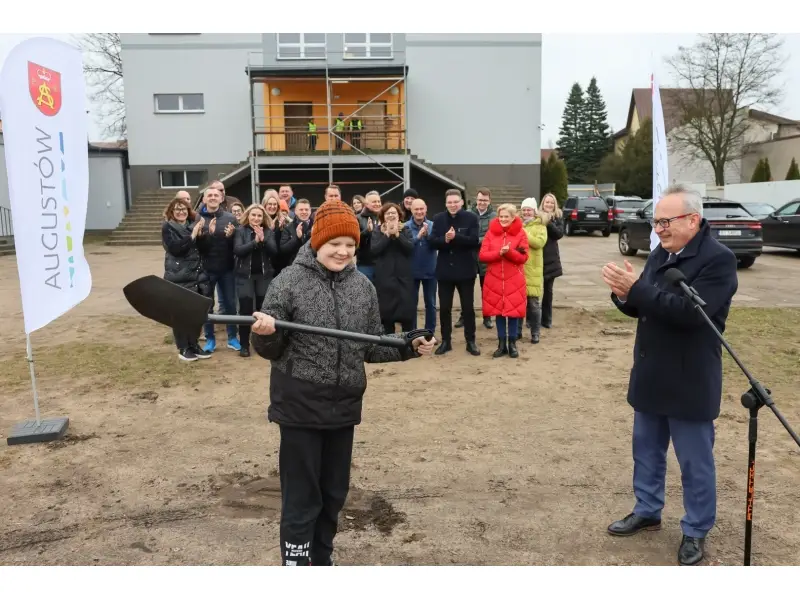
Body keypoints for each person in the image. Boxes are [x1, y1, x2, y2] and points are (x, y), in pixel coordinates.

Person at [249, 198, 436, 566]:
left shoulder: (362, 287)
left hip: (344, 407)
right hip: (300, 406)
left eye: (350, 245)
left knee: (334, 494)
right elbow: (269, 349)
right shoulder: (288, 282)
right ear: (318, 241)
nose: (343, 251)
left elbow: (371, 345)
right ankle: (296, 563)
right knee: (302, 497)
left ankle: (322, 559)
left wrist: (408, 346)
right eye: (335, 243)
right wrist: (265, 333)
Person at [601, 183, 738, 566]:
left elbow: (691, 314)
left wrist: (638, 291)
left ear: (692, 220)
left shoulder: (718, 260)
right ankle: (647, 509)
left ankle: (696, 528)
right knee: (646, 450)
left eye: (665, 221)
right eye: (656, 221)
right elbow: (645, 306)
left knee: (694, 461)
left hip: (689, 377)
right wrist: (624, 294)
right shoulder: (662, 253)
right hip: (651, 371)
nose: (658, 229)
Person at [429, 189, 481, 356]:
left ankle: (470, 341)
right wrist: (445, 239)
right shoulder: (438, 218)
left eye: (455, 202)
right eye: (449, 202)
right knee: (444, 308)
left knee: (468, 308)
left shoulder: (471, 218)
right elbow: (432, 242)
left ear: (461, 202)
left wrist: (456, 237)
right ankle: (446, 341)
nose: (452, 205)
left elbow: (474, 241)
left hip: (466, 270)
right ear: (446, 203)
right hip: (445, 271)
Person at [161, 197, 211, 362]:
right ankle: (183, 347)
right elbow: (176, 249)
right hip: (178, 277)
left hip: (195, 276)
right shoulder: (168, 227)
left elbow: (203, 249)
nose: (181, 212)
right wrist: (192, 236)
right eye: (177, 209)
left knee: (194, 314)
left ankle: (194, 345)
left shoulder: (193, 225)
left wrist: (203, 235)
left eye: (183, 209)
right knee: (180, 314)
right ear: (172, 212)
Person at [478, 204, 528, 358]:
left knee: (513, 313)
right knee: (498, 312)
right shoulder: (490, 233)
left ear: (513, 218)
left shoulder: (521, 233)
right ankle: (501, 345)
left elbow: (524, 257)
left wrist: (510, 252)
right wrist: (499, 253)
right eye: (501, 216)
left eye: (506, 216)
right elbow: (483, 255)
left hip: (514, 279)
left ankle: (512, 344)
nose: (503, 219)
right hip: (495, 279)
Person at [195, 187, 240, 352]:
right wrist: (207, 234)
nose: (213, 197)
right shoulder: (197, 218)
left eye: (216, 195)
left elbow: (237, 244)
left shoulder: (230, 218)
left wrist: (231, 237)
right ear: (204, 199)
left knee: (230, 305)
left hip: (227, 269)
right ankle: (210, 339)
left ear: (221, 199)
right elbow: (196, 246)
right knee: (207, 305)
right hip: (206, 269)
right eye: (210, 195)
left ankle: (232, 338)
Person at [233, 204, 278, 358]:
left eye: (259, 215)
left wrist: (263, 240)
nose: (256, 218)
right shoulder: (240, 230)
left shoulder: (268, 231)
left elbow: (274, 251)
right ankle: (244, 345)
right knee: (245, 311)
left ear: (263, 217)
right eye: (253, 215)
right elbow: (238, 250)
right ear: (248, 216)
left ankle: (261, 344)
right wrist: (254, 242)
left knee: (262, 311)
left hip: (264, 277)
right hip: (245, 276)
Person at [370, 202, 416, 333]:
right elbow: (375, 250)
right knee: (387, 315)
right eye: (388, 213)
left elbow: (410, 248)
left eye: (393, 213)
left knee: (407, 313)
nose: (391, 215)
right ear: (383, 216)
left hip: (403, 278)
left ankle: (408, 342)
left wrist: (397, 235)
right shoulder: (377, 231)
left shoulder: (405, 229)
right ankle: (389, 343)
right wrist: (387, 235)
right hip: (385, 278)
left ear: (399, 215)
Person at [458, 187, 496, 330]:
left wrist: (474, 240)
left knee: (487, 290)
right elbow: (464, 234)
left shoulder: (494, 216)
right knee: (466, 291)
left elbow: (492, 236)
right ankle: (464, 316)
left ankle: (487, 317)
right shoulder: (467, 214)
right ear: (476, 199)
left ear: (489, 201)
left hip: (486, 259)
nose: (482, 202)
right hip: (469, 257)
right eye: (480, 200)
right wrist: (476, 239)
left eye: (485, 200)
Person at [405, 198, 437, 335]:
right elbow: (406, 247)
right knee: (411, 304)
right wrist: (418, 237)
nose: (419, 212)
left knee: (431, 304)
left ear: (426, 209)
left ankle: (429, 333)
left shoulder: (433, 225)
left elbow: (436, 244)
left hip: (431, 270)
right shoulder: (405, 227)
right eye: (416, 209)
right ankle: (412, 333)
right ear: (411, 210)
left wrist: (428, 234)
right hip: (411, 271)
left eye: (421, 209)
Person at [520, 198, 547, 343]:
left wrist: (524, 232)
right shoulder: (517, 224)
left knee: (534, 304)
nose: (526, 212)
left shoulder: (540, 226)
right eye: (524, 209)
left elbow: (539, 243)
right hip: (519, 268)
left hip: (533, 270)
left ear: (534, 211)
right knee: (518, 303)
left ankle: (535, 333)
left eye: (529, 210)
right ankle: (517, 331)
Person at [539, 193, 564, 329]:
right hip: (537, 257)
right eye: (547, 202)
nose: (549, 204)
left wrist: (548, 222)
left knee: (548, 291)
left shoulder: (557, 217)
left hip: (551, 258)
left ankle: (546, 319)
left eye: (551, 202)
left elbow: (558, 234)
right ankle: (531, 318)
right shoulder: (537, 217)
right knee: (533, 291)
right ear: (543, 203)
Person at [355, 191, 382, 282]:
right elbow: (356, 242)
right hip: (365, 265)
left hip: (382, 264)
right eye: (374, 202)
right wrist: (367, 231)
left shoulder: (385, 217)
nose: (377, 204)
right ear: (366, 204)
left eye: (378, 201)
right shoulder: (358, 218)